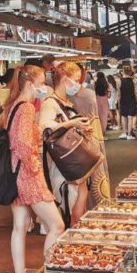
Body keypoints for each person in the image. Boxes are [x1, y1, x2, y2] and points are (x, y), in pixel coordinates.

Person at [0, 65, 65, 273]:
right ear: (30, 84)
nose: (44, 87)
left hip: (14, 173)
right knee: (56, 225)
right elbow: (22, 143)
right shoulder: (26, 107)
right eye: (41, 83)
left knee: (20, 227)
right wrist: (34, 166)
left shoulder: (11, 106)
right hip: (28, 174)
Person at [40, 64, 95, 225]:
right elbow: (45, 128)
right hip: (63, 166)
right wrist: (73, 124)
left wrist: (82, 130)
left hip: (75, 165)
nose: (79, 84)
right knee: (69, 212)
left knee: (77, 209)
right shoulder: (50, 104)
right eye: (76, 80)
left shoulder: (66, 102)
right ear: (65, 79)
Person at [65, 64, 111, 209]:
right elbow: (97, 114)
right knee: (96, 176)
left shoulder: (62, 96)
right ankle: (101, 206)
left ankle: (77, 213)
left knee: (78, 181)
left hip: (72, 141)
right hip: (92, 136)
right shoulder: (88, 94)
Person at [116, 66, 137, 140]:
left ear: (123, 72)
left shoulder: (119, 81)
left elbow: (118, 94)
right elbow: (135, 92)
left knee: (123, 117)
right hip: (131, 100)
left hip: (123, 100)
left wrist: (118, 102)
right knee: (130, 117)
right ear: (130, 72)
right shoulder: (134, 81)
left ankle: (124, 133)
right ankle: (129, 134)